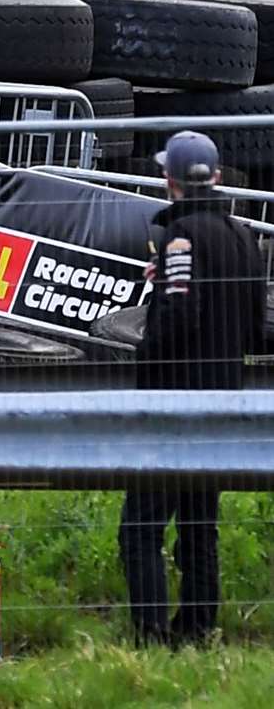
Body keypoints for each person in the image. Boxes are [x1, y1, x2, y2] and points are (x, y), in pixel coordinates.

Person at [118, 130, 264, 647]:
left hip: (172, 406)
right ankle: (198, 630)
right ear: (218, 178)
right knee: (200, 524)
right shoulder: (247, 238)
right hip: (222, 401)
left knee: (141, 527)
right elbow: (255, 329)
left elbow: (178, 318)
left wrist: (146, 360)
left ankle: (152, 637)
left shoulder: (180, 239)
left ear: (169, 181)